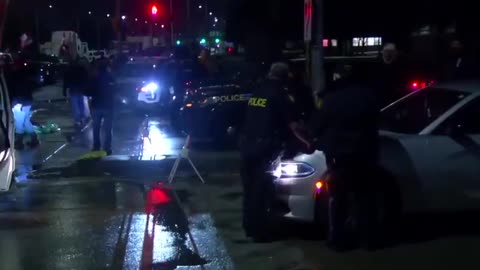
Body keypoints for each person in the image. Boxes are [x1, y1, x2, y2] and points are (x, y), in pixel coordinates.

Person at [311, 64, 380, 251]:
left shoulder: (331, 99)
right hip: (364, 154)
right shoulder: (368, 96)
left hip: (338, 157)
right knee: (364, 198)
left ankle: (337, 240)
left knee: (337, 199)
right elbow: (376, 123)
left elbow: (318, 126)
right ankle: (367, 239)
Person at [240, 62, 312, 242]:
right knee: (262, 190)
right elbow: (294, 127)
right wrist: (309, 142)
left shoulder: (257, 92)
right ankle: (261, 232)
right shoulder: (281, 95)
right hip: (265, 149)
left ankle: (249, 227)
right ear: (284, 76)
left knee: (249, 189)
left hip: (247, 146)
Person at [5, 62, 39, 149]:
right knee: (25, 121)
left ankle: (19, 142)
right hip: (27, 101)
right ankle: (34, 139)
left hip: (18, 101)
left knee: (19, 122)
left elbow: (11, 89)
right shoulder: (25, 75)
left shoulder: (12, 76)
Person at [90, 61, 115, 155]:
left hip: (96, 105)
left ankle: (96, 146)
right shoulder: (111, 77)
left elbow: (88, 90)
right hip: (108, 106)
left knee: (96, 127)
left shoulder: (94, 78)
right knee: (108, 128)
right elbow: (115, 89)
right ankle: (107, 147)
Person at [64, 56, 89, 128]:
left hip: (74, 90)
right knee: (81, 105)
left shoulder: (69, 70)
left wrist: (65, 90)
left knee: (75, 106)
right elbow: (86, 79)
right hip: (80, 89)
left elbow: (66, 81)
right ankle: (82, 118)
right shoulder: (82, 69)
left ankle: (78, 120)